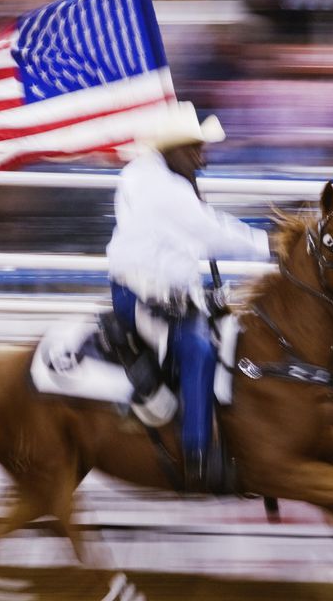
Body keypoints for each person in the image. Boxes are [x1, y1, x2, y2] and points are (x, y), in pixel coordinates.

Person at [103, 102, 271, 492]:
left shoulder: (153, 176)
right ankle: (196, 458)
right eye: (195, 149)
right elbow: (210, 231)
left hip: (165, 289)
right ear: (172, 148)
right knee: (198, 348)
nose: (202, 158)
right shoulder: (163, 186)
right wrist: (269, 247)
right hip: (143, 295)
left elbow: (184, 239)